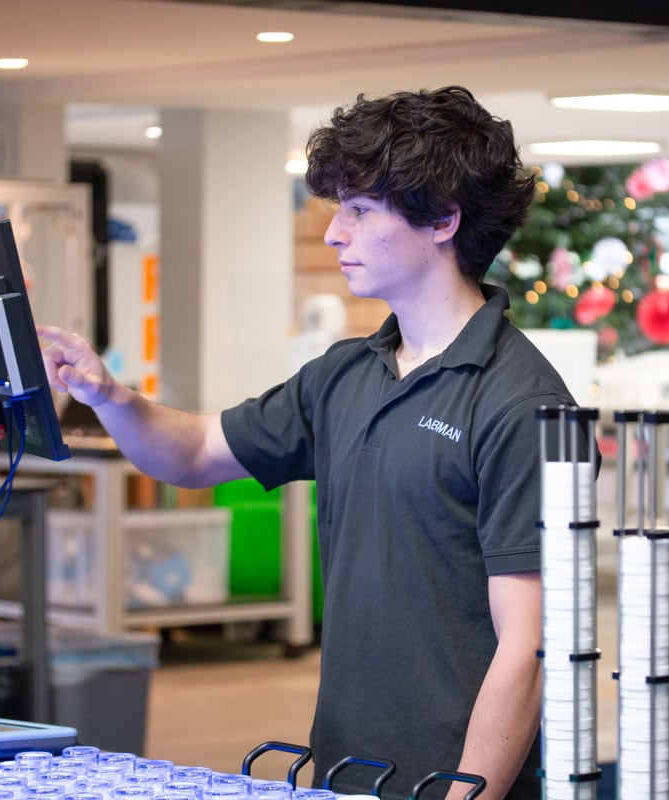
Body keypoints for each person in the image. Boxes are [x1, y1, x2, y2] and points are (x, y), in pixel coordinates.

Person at [39, 85, 589, 800]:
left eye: (360, 211)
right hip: (343, 775)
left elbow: (529, 645)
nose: (335, 234)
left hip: (454, 786)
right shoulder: (346, 374)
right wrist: (109, 396)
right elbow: (199, 450)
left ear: (444, 220)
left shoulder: (523, 404)